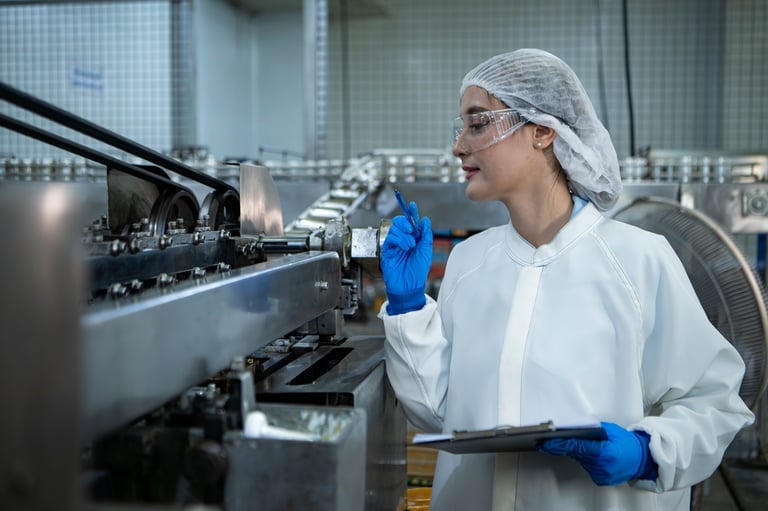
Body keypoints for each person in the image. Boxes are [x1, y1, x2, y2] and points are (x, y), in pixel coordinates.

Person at [378, 48, 755, 510]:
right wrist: (408, 306)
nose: (458, 146)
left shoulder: (638, 261)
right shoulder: (468, 262)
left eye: (478, 124)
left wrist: (647, 453)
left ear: (542, 131)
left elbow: (714, 402)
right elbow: (439, 412)